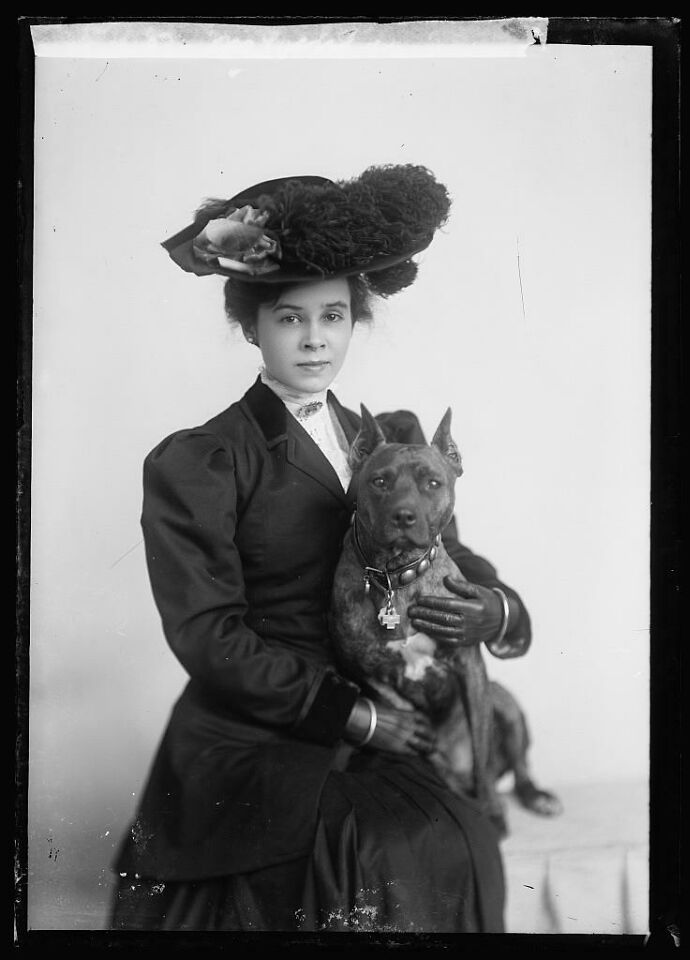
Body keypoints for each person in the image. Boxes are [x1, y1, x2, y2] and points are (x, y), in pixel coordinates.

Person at [110, 165, 531, 933]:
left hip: (392, 708)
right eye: (289, 317)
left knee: (461, 840)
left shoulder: (394, 442)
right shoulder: (205, 459)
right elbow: (208, 634)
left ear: (352, 322)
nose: (313, 339)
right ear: (253, 326)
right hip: (261, 731)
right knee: (372, 852)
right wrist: (354, 717)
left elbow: (457, 562)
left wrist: (495, 611)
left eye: (332, 316)